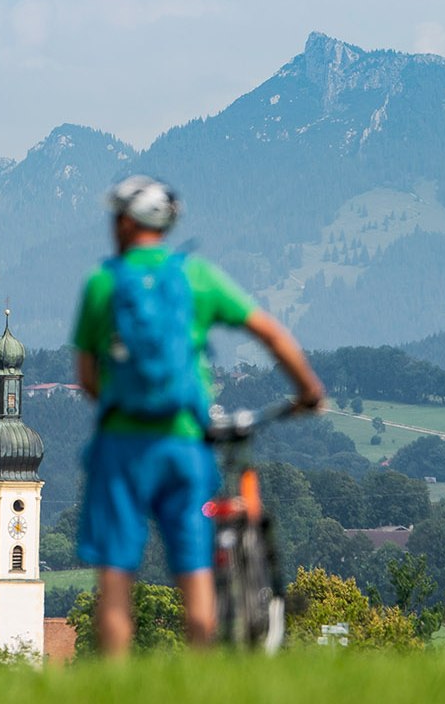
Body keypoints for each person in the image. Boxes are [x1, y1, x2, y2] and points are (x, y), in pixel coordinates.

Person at [72, 175, 325, 658]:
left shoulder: (103, 283)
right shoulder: (196, 277)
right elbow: (268, 331)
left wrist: (123, 401)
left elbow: (86, 377)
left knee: (116, 578)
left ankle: (115, 688)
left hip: (121, 447)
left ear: (126, 222)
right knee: (196, 572)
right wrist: (308, 389)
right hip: (185, 444)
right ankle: (200, 677)